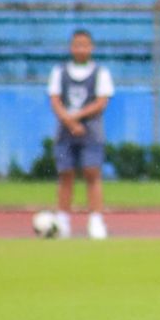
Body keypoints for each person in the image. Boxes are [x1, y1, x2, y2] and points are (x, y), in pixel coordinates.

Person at [47, 29, 114, 239]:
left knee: (92, 174)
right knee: (65, 174)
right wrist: (68, 120)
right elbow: (55, 99)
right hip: (65, 132)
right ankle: (63, 220)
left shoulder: (100, 73)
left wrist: (76, 117)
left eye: (85, 45)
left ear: (91, 47)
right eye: (77, 44)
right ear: (71, 47)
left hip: (90, 131)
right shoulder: (59, 72)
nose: (81, 49)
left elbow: (101, 102)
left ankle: (95, 220)